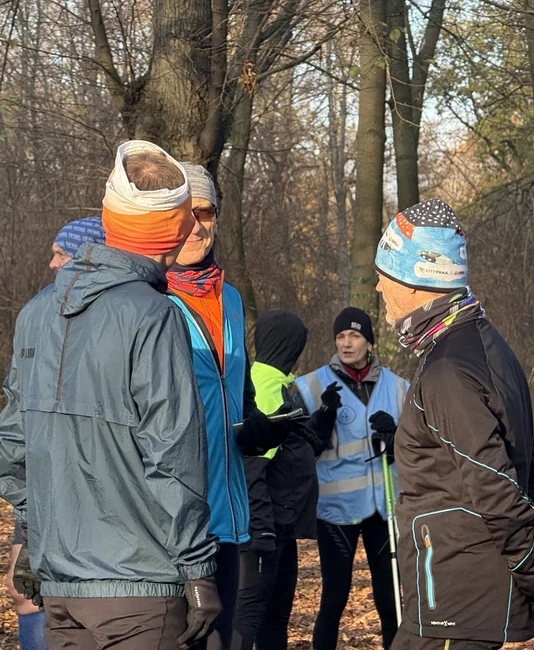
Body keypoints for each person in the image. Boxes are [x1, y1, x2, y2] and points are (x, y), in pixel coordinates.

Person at [0, 140, 221, 650]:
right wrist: (199, 569)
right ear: (175, 229)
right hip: (140, 588)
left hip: (61, 586)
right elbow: (174, 454)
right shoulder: (153, 315)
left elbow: (13, 442)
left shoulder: (35, 313)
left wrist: (32, 534)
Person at [374, 198, 534, 650]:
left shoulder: (449, 370)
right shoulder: (484, 348)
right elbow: (532, 461)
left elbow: (500, 487)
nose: (378, 286)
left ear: (416, 280)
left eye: (386, 273)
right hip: (457, 597)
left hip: (456, 601)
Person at [166, 163, 294, 650]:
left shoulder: (233, 299)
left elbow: (232, 395)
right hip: (171, 516)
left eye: (207, 212)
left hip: (229, 512)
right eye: (185, 214)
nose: (197, 226)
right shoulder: (150, 299)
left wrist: (258, 429)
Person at [0, 216, 106, 650]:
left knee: (86, 606)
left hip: (91, 488)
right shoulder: (36, 312)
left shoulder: (121, 316)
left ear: (85, 257)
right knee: (25, 594)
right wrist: (15, 471)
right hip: (38, 486)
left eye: (60, 254)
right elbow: (15, 400)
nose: (50, 263)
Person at [292, 307, 408, 650]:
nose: (346, 343)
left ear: (370, 343)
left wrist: (396, 438)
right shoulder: (311, 386)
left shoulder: (399, 387)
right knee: (334, 597)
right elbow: (298, 452)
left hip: (383, 509)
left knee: (390, 600)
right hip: (335, 510)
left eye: (354, 336)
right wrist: (322, 418)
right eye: (340, 336)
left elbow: (419, 447)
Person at [232, 310, 340, 650]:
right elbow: (252, 463)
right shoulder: (265, 390)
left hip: (283, 527)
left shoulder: (283, 385)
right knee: (248, 617)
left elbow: (297, 448)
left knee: (276, 618)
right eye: (297, 344)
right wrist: (261, 528)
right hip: (263, 531)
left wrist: (324, 417)